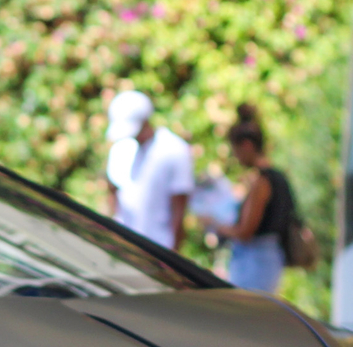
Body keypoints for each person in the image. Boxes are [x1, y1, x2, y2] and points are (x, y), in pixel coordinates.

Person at [208, 103, 293, 293]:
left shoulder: (262, 182)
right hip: (269, 259)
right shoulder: (278, 177)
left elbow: (245, 232)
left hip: (256, 262)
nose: (236, 158)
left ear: (246, 146)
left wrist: (216, 225)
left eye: (236, 151)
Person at [101, 89, 192, 251]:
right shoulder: (120, 149)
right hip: (125, 247)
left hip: (159, 249)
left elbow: (179, 208)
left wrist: (173, 255)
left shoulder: (174, 150)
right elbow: (112, 192)